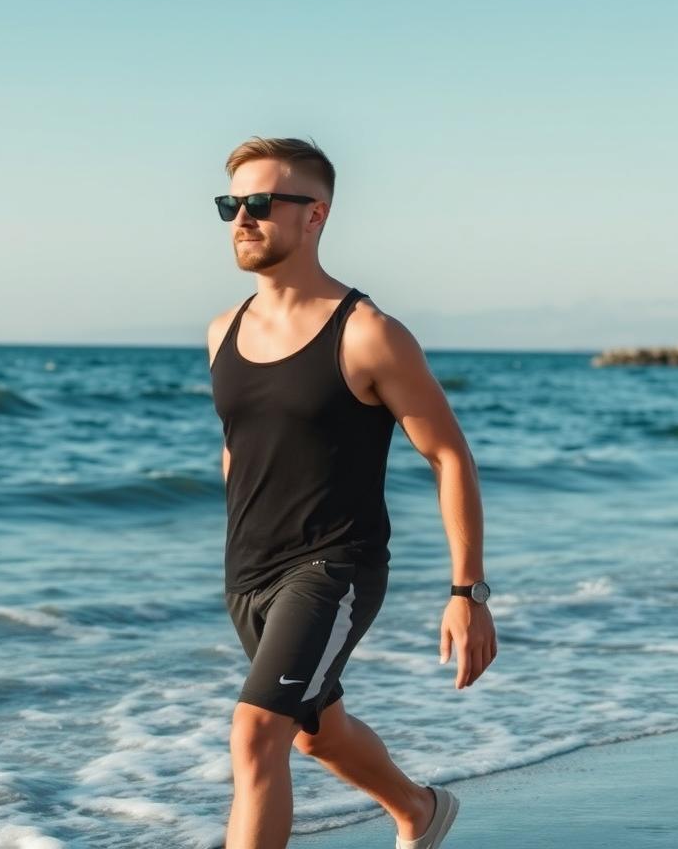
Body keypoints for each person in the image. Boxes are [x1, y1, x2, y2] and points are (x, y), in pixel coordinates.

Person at [207, 137, 497, 849]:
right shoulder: (223, 331)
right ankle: (419, 810)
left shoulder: (368, 334)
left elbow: (448, 455)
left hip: (334, 568)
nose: (243, 219)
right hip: (248, 573)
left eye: (261, 203)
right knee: (315, 732)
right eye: (230, 205)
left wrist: (469, 593)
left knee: (255, 737)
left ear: (316, 216)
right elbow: (239, 448)